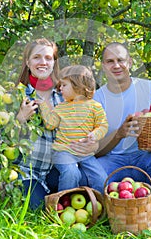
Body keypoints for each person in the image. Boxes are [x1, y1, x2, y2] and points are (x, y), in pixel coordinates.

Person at [91, 42, 151, 216]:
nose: (116, 65)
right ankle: (112, 214)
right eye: (110, 61)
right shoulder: (96, 100)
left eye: (120, 60)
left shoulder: (150, 88)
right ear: (104, 66)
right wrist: (118, 135)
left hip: (146, 156)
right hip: (112, 160)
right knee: (92, 174)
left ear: (129, 62)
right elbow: (95, 151)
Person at [15, 38, 98, 209]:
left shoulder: (63, 95)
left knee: (84, 180)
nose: (43, 62)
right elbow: (0, 143)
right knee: (38, 210)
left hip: (55, 169)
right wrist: (19, 120)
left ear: (54, 62)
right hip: (27, 172)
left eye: (48, 58)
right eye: (37, 57)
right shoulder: (17, 95)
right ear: (27, 62)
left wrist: (89, 142)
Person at [37, 65, 108, 194]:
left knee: (101, 177)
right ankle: (64, 203)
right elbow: (51, 124)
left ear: (78, 86)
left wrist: (95, 135)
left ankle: (100, 206)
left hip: (84, 153)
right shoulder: (61, 107)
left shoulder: (95, 106)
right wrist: (43, 105)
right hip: (63, 151)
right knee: (71, 173)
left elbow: (102, 125)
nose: (60, 88)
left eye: (64, 85)